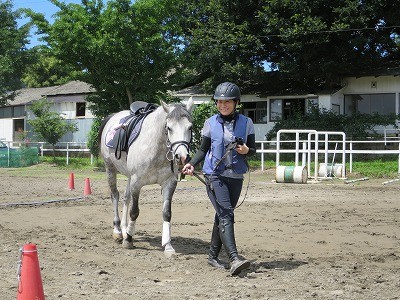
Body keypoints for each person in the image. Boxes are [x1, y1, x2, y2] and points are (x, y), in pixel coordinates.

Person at [182, 82, 256, 276]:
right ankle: (234, 258)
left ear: (236, 102)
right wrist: (191, 163)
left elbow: (253, 150)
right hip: (214, 175)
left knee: (222, 215)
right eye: (219, 102)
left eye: (227, 102)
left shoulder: (247, 123)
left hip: (236, 176)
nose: (222, 105)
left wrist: (247, 151)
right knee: (226, 215)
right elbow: (203, 149)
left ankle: (213, 256)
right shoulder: (210, 122)